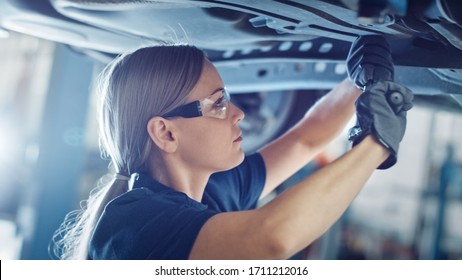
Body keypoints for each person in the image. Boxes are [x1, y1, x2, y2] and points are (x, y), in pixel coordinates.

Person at [53, 36, 413, 260]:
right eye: (218, 104)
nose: (238, 114)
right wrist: (376, 144)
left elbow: (307, 138)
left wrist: (361, 80)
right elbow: (271, 238)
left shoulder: (213, 193)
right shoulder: (129, 227)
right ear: (165, 133)